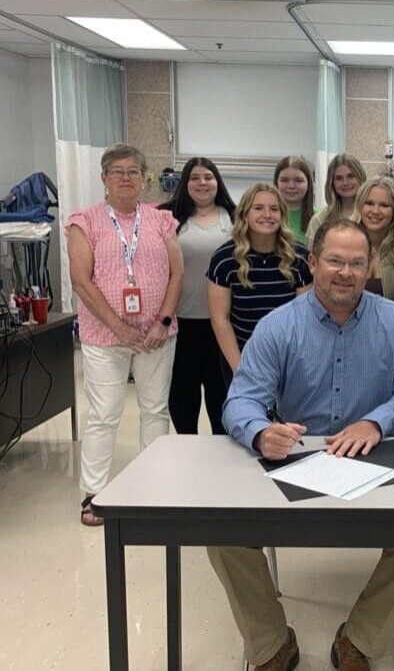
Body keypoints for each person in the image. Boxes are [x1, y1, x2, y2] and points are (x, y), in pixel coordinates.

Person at [210, 219, 394, 671]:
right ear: (313, 263)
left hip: (376, 455)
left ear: (370, 265)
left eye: (356, 263)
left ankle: (362, 637)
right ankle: (271, 643)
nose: (345, 272)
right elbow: (241, 400)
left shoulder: (393, 320)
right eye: (334, 261)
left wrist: (376, 422)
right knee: (220, 530)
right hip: (297, 459)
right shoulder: (279, 326)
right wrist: (259, 431)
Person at [66, 143, 183, 526]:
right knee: (104, 414)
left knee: (154, 411)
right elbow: (81, 281)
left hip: (156, 335)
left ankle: (153, 490)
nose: (126, 178)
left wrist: (161, 323)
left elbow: (177, 274)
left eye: (134, 171)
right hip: (104, 337)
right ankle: (94, 495)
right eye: (117, 171)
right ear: (104, 178)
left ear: (145, 178)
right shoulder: (84, 221)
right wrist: (118, 328)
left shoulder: (161, 220)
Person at [158, 157, 236, 435]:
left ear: (218, 182)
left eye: (208, 177)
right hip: (181, 323)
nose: (202, 183)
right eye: (195, 178)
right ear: (185, 183)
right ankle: (187, 455)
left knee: (221, 399)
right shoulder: (166, 217)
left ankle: (222, 461)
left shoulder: (235, 216)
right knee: (182, 398)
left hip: (223, 324)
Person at [207, 182, 311, 379]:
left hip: (289, 360)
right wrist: (240, 370)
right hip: (241, 357)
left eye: (274, 209)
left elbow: (304, 318)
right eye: (258, 208)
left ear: (282, 216)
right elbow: (220, 319)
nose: (267, 215)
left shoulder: (300, 257)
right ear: (245, 214)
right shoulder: (224, 259)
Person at [351, 174, 394, 302]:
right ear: (359, 206)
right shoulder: (343, 242)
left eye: (384, 205)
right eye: (369, 203)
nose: (375, 211)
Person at [306, 153, 365, 247]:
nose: (345, 183)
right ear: (331, 183)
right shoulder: (320, 219)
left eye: (351, 176)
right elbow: (312, 257)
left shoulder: (370, 216)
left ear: (360, 177)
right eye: (339, 178)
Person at [273, 155, 316, 245]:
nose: (291, 186)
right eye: (284, 180)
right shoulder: (266, 217)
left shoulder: (319, 218)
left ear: (308, 184)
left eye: (298, 180)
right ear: (276, 184)